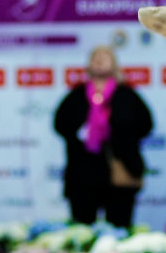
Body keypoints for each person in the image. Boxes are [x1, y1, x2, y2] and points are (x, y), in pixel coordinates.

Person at [53, 44, 153, 229]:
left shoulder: (127, 95)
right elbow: (60, 124)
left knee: (119, 230)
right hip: (82, 173)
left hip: (119, 170)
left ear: (114, 65)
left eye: (105, 57)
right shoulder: (76, 95)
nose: (99, 61)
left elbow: (146, 125)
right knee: (81, 230)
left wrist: (114, 131)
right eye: (95, 57)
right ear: (88, 65)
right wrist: (84, 130)